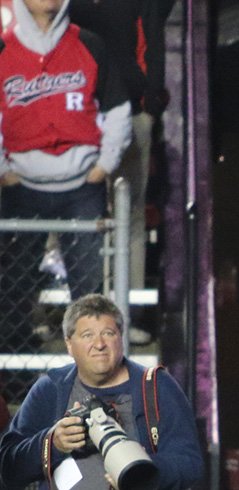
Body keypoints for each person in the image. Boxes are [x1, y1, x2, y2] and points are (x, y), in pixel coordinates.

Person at [0, 0, 131, 347]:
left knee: (88, 287)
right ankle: (16, 366)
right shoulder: (3, 49)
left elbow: (118, 108)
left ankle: (92, 371)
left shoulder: (89, 43)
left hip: (81, 188)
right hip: (22, 187)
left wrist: (104, 165)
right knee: (15, 281)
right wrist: (3, 170)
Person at [0, 294, 202, 489]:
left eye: (108, 333)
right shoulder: (51, 389)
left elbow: (190, 463)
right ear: (69, 344)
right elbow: (8, 469)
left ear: (120, 338)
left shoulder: (155, 385)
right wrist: (52, 444)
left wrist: (144, 471)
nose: (99, 344)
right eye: (87, 335)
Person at [68, 0, 175, 345]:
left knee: (130, 217)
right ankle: (69, 318)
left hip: (130, 113)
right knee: (68, 216)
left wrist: (149, 103)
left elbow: (152, 44)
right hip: (76, 114)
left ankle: (128, 315)